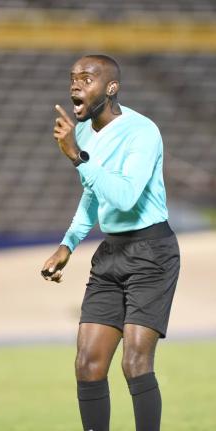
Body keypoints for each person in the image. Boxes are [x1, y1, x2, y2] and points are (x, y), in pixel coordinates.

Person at [41, 55, 180, 431]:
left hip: (152, 252)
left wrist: (76, 157)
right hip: (111, 253)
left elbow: (124, 198)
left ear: (111, 88)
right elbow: (93, 194)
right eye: (72, 78)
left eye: (86, 79)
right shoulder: (84, 132)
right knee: (87, 365)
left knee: (135, 363)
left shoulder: (142, 132)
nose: (75, 85)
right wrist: (68, 244)